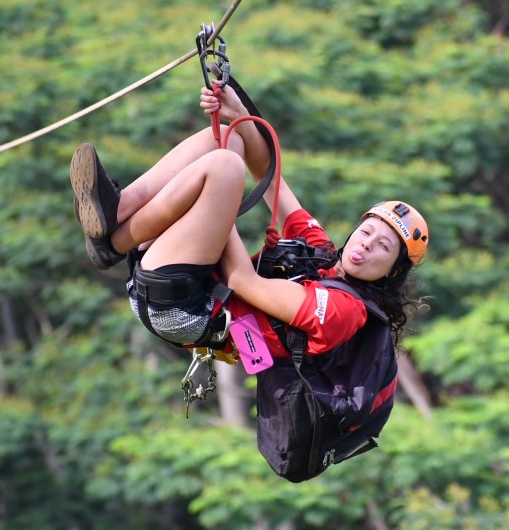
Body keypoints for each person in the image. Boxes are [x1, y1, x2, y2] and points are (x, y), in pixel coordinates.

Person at [69, 83, 429, 360]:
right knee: (227, 140)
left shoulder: (343, 312)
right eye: (366, 231)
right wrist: (236, 110)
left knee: (225, 167)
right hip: (180, 279)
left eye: (383, 246)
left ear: (393, 272)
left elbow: (242, 280)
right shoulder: (322, 254)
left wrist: (217, 209)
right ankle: (115, 213)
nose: (367, 243)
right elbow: (271, 179)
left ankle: (114, 243)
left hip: (185, 311)